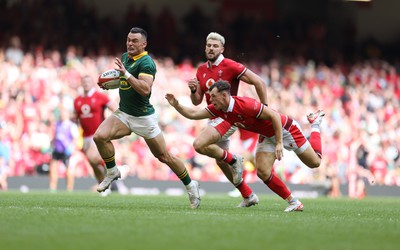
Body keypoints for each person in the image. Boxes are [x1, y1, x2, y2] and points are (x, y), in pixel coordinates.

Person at [166, 80, 325, 212]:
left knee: (315, 162)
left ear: (224, 95)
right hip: (266, 135)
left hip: (285, 129)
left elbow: (274, 115)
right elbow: (194, 114)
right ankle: (294, 202)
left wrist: (279, 142)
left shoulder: (245, 104)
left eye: (213, 96)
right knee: (263, 172)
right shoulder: (219, 109)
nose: (211, 99)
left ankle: (315, 124)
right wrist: (176, 105)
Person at [93, 27, 200, 208]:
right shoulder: (125, 58)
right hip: (124, 113)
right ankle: (112, 171)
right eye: (128, 40)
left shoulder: (147, 63)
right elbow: (123, 81)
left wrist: (125, 74)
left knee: (164, 156)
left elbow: (144, 89)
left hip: (143, 117)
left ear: (144, 44)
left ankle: (191, 186)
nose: (130, 44)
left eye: (135, 41)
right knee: (100, 136)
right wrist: (109, 84)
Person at [187, 32, 268, 207]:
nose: (211, 48)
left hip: (228, 116)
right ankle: (248, 195)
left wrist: (265, 109)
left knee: (199, 145)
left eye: (215, 46)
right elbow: (197, 101)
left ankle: (234, 159)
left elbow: (259, 82)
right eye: (208, 45)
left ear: (222, 49)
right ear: (205, 46)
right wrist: (193, 90)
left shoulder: (230, 66)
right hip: (212, 117)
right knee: (219, 160)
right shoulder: (201, 70)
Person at [73, 75, 126, 196]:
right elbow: (75, 118)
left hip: (98, 134)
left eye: (88, 81)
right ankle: (106, 185)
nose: (86, 84)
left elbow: (115, 109)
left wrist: (118, 122)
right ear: (81, 83)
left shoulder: (100, 97)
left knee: (93, 158)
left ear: (92, 83)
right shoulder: (77, 101)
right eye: (84, 81)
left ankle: (114, 172)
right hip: (85, 136)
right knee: (94, 164)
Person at [49, 106, 80, 192]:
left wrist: (71, 148)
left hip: (66, 150)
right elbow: (55, 136)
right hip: (57, 149)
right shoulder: (57, 124)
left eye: (64, 113)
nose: (62, 114)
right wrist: (52, 143)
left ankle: (69, 188)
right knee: (53, 168)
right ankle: (52, 188)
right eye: (61, 113)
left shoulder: (71, 125)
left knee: (68, 170)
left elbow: (75, 138)